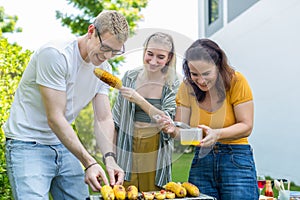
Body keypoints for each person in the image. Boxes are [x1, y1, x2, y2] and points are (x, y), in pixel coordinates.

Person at [3, 10, 129, 199]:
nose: (108, 56)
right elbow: (55, 118)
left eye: (115, 51)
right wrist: (88, 162)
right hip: (28, 143)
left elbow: (103, 117)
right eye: (105, 48)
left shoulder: (104, 68)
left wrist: (109, 159)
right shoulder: (56, 54)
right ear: (91, 30)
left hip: (63, 144)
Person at [159, 38, 259, 200]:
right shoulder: (187, 87)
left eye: (206, 73)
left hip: (235, 159)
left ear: (218, 67)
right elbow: (182, 132)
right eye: (194, 74)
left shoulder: (236, 81)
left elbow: (246, 126)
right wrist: (172, 130)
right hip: (202, 159)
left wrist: (217, 133)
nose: (201, 80)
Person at [112, 32, 180, 192]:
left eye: (160, 57)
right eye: (150, 54)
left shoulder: (173, 83)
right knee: (126, 192)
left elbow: (167, 121)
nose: (153, 61)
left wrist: (139, 99)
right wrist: (112, 157)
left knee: (154, 193)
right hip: (127, 144)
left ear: (169, 57)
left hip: (156, 147)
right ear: (144, 51)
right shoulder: (129, 77)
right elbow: (115, 121)